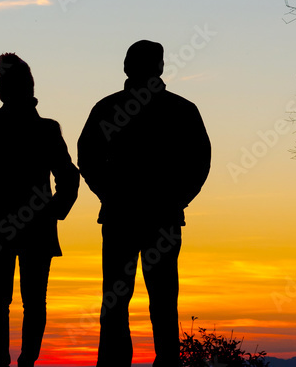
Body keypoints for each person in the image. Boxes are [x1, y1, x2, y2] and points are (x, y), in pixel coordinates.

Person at [77, 40, 211, 367]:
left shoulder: (110, 108)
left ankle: (120, 364)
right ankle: (156, 363)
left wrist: (109, 194)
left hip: (130, 218)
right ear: (160, 68)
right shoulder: (180, 110)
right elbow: (200, 162)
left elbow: (87, 158)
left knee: (125, 301)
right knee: (156, 302)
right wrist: (177, 199)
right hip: (150, 218)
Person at [0, 52, 80, 367]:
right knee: (20, 301)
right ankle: (15, 364)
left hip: (15, 227)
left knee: (8, 301)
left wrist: (53, 210)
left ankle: (14, 364)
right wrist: (53, 210)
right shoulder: (41, 130)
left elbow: (68, 178)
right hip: (24, 227)